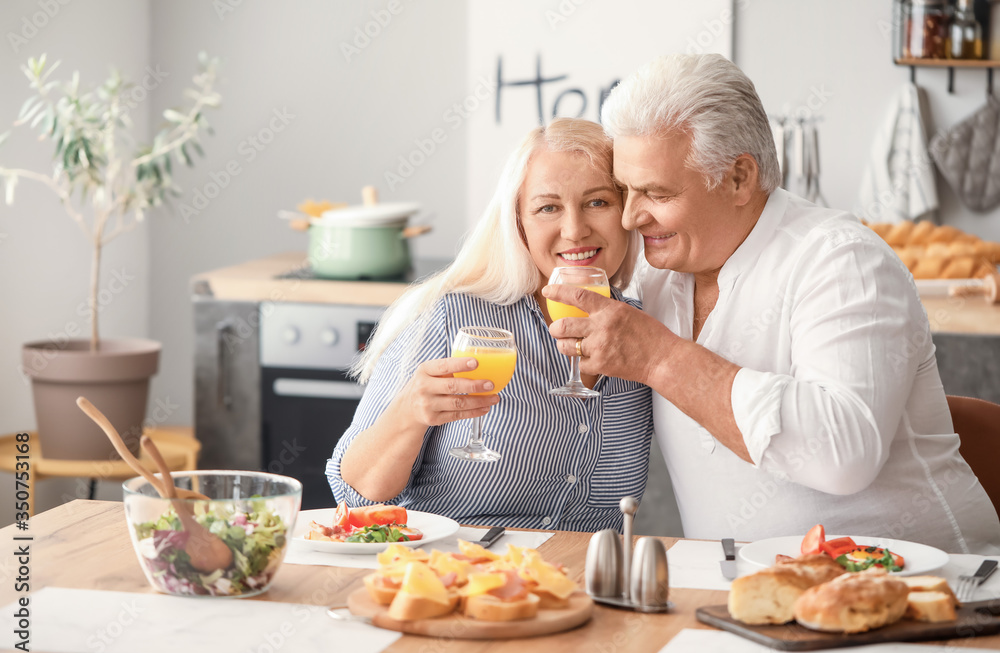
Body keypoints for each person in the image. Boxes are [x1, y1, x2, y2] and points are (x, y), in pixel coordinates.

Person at [544, 54, 1000, 554]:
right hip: (745, 598)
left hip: (932, 594)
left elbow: (842, 455)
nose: (631, 218)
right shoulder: (655, 271)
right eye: (625, 190)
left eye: (655, 192)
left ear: (739, 178)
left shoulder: (844, 260)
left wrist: (659, 358)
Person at [326, 118, 652, 533]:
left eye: (598, 202)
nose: (574, 229)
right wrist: (409, 413)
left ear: (627, 211)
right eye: (548, 208)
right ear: (519, 223)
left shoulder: (646, 331)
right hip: (459, 572)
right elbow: (354, 495)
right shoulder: (455, 318)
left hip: (583, 583)